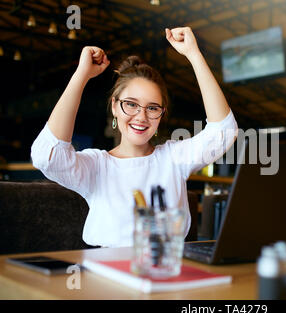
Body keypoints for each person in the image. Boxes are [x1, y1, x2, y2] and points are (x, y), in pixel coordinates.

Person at [31, 27, 238, 248]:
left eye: (152, 108)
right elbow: (48, 156)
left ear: (161, 114)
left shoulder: (173, 158)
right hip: (105, 274)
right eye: (130, 104)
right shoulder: (97, 166)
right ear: (115, 106)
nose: (141, 117)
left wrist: (194, 55)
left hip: (165, 270)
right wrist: (81, 75)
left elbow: (223, 132)